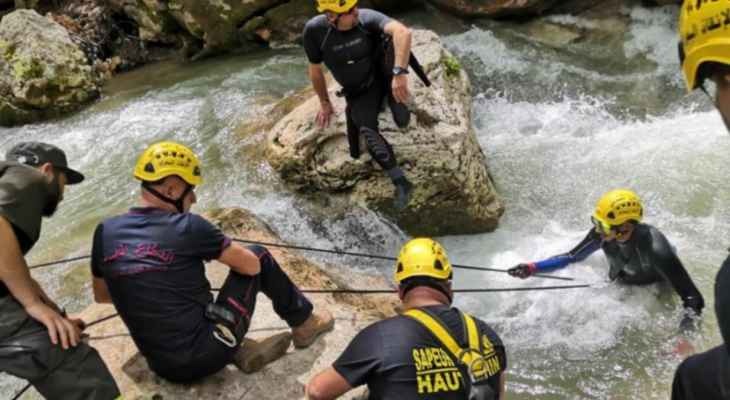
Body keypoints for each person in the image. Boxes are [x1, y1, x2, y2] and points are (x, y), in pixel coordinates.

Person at [90, 141, 334, 382]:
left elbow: (102, 296)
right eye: (190, 189)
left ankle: (234, 344)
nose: (194, 198)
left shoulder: (105, 231)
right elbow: (251, 266)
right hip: (207, 356)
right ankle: (304, 324)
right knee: (258, 253)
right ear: (171, 190)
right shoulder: (188, 226)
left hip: (160, 365)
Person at [306, 238, 507, 400]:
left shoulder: (381, 337)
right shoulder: (486, 333)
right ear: (448, 286)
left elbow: (317, 391)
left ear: (400, 291)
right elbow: (499, 392)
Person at [0, 142, 120, 399]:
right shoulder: (29, 178)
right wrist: (33, 305)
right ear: (48, 171)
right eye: (65, 181)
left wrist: (55, 314)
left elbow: (11, 272)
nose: (64, 193)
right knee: (69, 358)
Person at [508, 189, 704, 331]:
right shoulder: (601, 234)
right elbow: (571, 256)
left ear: (625, 227)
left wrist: (683, 337)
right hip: (624, 280)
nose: (597, 230)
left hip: (655, 288)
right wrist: (532, 267)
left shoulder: (656, 249)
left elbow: (693, 299)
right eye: (596, 222)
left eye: (603, 225)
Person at [670, 2, 730, 397]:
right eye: (722, 82)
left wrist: (686, 332)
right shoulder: (605, 235)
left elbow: (690, 295)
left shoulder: (651, 243)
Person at [302, 0, 415, 210]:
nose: (356, 12)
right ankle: (401, 181)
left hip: (385, 75)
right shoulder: (315, 31)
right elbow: (315, 70)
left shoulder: (365, 17)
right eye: (349, 11)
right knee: (367, 130)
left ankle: (393, 96)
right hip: (362, 89)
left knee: (402, 119)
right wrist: (324, 102)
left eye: (355, 7)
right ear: (331, 16)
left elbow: (403, 32)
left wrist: (399, 73)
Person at [671, 261, 730, 399]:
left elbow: (694, 299)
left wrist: (685, 334)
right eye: (607, 237)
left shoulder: (690, 375)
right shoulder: (690, 375)